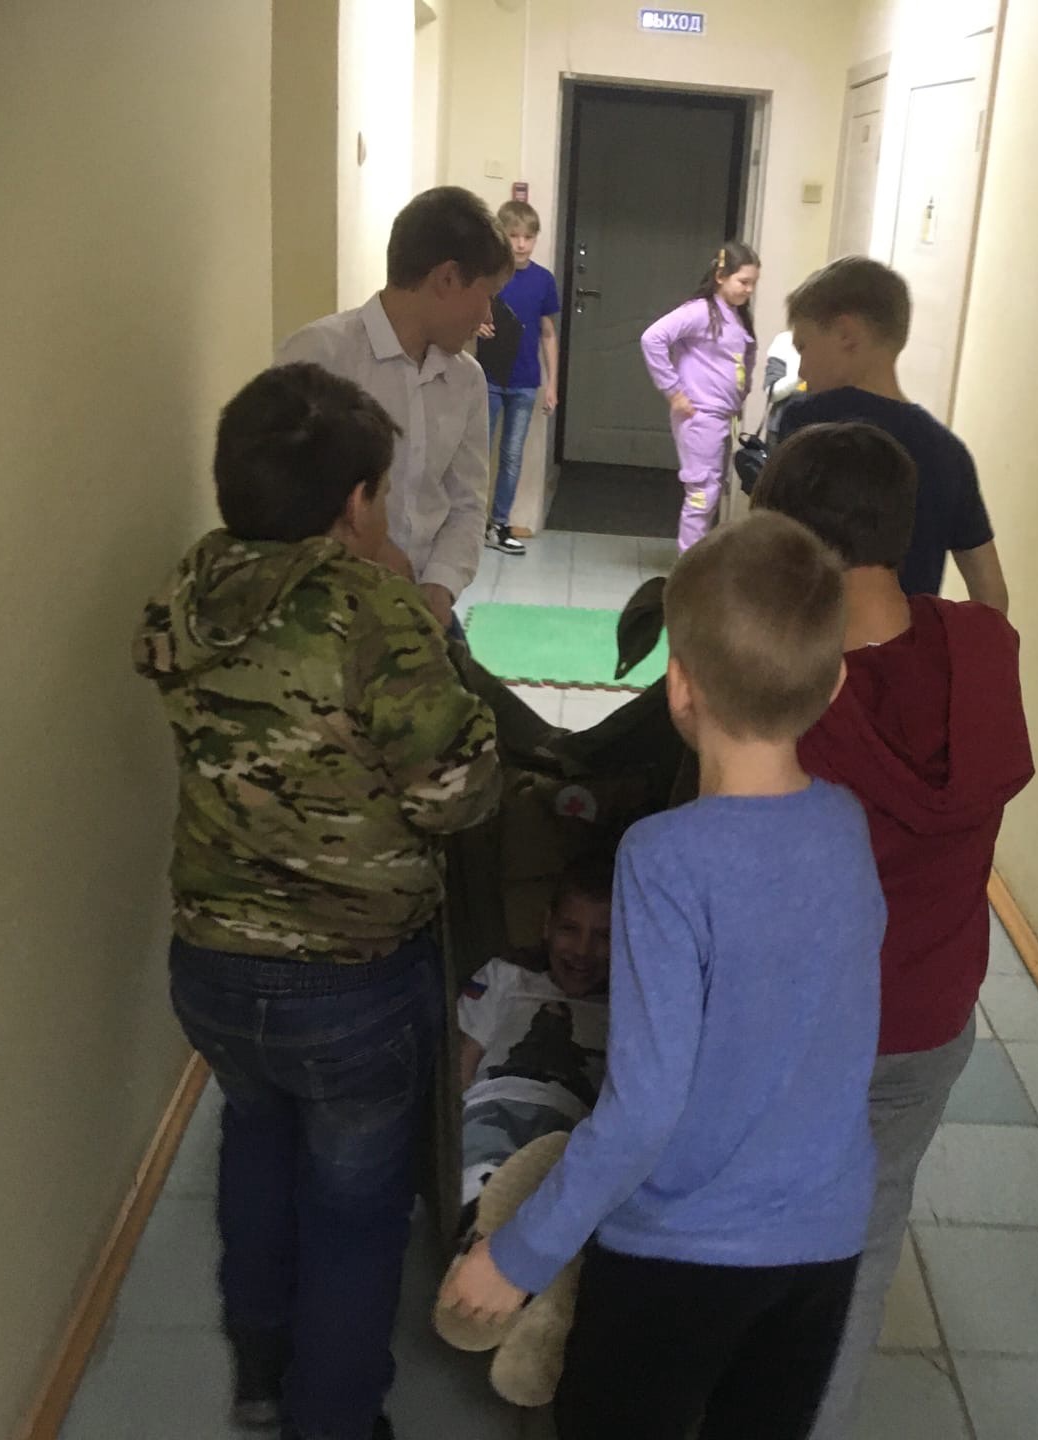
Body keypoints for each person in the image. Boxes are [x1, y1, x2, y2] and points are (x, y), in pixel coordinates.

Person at [439, 512, 885, 1440]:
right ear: (835, 682)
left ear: (679, 686)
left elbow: (644, 1108)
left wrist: (519, 1255)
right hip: (824, 1241)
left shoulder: (662, 858)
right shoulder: (847, 826)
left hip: (680, 1255)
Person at [132, 362, 502, 1440]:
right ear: (354, 503)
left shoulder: (190, 587)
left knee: (256, 1142)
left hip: (209, 962)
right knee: (353, 1211)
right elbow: (458, 793)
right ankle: (331, 1420)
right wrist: (421, 623)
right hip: (351, 980)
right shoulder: (373, 612)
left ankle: (260, 1372)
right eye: (377, 491)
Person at [751, 422, 1033, 1440]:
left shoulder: (783, 691)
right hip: (928, 1019)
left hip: (800, 1029)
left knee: (753, 1236)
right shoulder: (983, 649)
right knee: (865, 1245)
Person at [277, 186, 514, 631]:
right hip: (324, 611)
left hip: (421, 606)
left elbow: (467, 503)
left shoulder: (467, 380)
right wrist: (373, 550)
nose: (488, 315)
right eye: (488, 294)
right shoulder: (319, 356)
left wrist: (440, 586)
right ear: (447, 278)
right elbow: (282, 497)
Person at [778, 256, 1010, 609]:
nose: (802, 369)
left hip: (812, 638)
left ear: (846, 335)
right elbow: (991, 593)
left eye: (803, 347)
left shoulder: (807, 423)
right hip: (907, 641)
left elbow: (768, 549)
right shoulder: (949, 452)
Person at [456, 857, 614, 1225]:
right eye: (569, 929)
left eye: (603, 936)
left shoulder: (626, 1006)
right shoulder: (507, 977)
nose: (582, 950)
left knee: (555, 1197)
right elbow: (463, 1060)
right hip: (494, 1101)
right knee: (483, 1173)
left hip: (572, 1122)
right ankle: (477, 1225)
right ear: (547, 925)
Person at [640, 242, 761, 551]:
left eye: (753, 283)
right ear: (721, 276)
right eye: (743, 282)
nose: (749, 289)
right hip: (700, 415)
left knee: (710, 491)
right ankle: (689, 566)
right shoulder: (700, 311)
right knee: (702, 493)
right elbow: (652, 338)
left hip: (720, 416)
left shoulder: (735, 316)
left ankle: (698, 561)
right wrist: (673, 391)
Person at [479, 200, 562, 556]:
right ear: (502, 236)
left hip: (526, 382)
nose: (521, 244)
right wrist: (475, 325)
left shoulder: (543, 280)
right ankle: (467, 523)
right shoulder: (488, 276)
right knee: (477, 454)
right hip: (487, 378)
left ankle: (499, 524)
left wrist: (552, 384)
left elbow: (548, 334)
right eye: (514, 236)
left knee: (511, 456)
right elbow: (467, 314)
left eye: (528, 237)